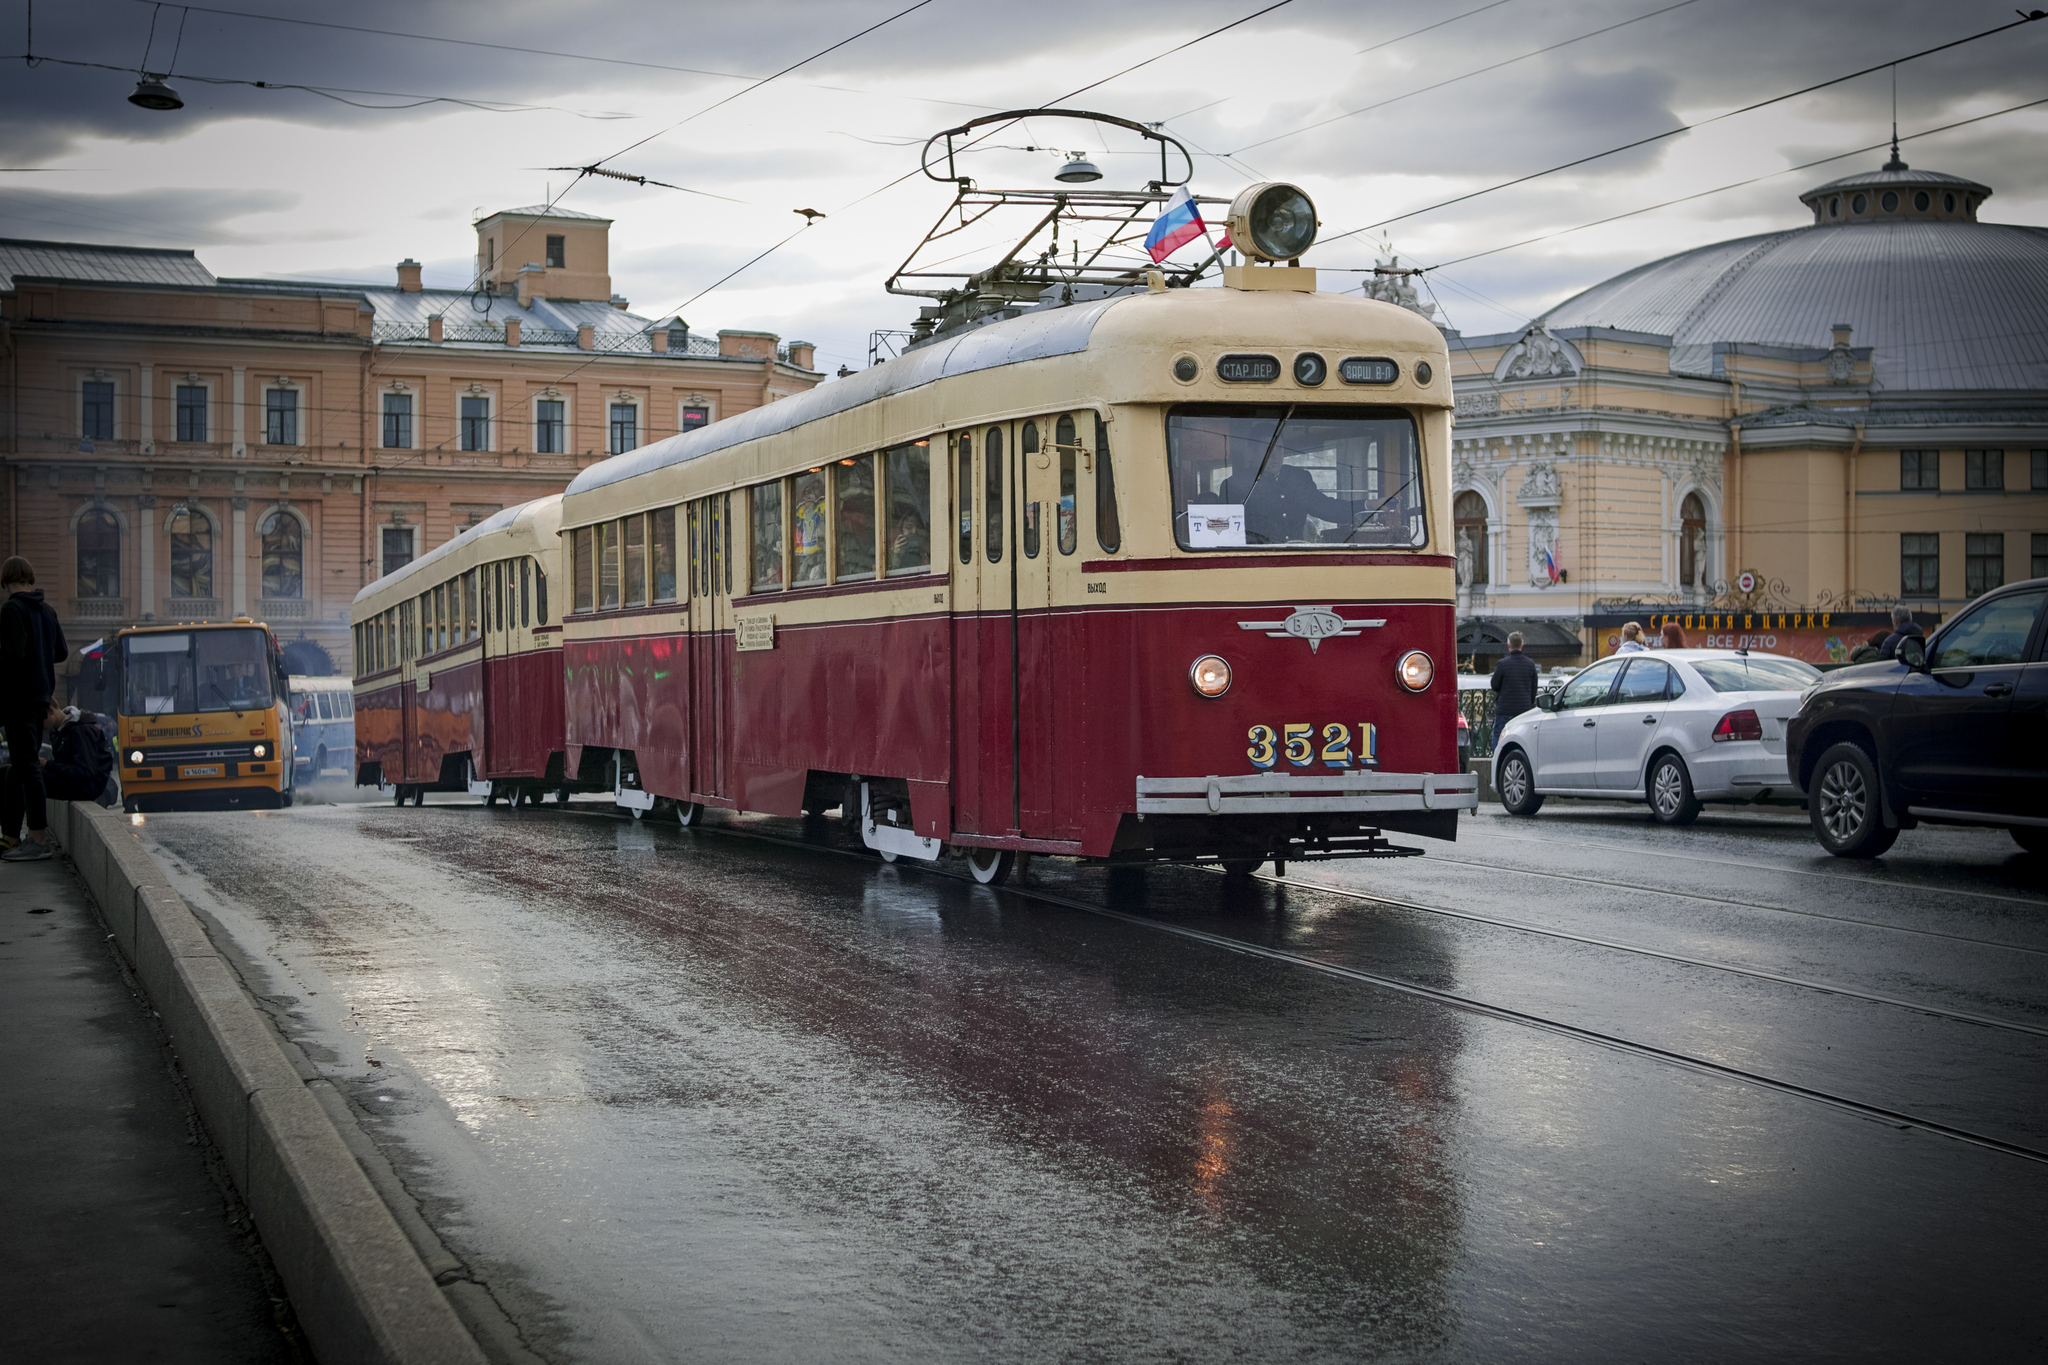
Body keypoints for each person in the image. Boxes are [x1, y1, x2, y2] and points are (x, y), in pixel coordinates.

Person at [0, 556, 68, 860]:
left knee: (26, 768)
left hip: (17, 700)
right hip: (41, 698)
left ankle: (38, 841)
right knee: (20, 766)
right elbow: (61, 652)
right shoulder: (47, 610)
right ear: (30, 578)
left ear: (6, 582)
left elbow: (12, 658)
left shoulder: (12, 609)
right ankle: (11, 837)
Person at [42, 703, 113, 806]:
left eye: (40, 718)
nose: (38, 723)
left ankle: (36, 822)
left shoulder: (80, 729)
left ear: (50, 710)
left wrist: (48, 765)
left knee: (29, 776)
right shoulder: (58, 730)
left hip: (88, 786)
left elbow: (85, 771)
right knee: (16, 771)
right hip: (76, 781)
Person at [1489, 631, 1539, 749]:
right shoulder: (1530, 664)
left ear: (1508, 645)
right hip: (1523, 709)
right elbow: (1534, 688)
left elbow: (1494, 685)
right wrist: (1529, 703)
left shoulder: (1502, 664)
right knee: (1523, 738)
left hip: (1505, 708)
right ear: (1522, 645)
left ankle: (1497, 760)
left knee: (1499, 736)